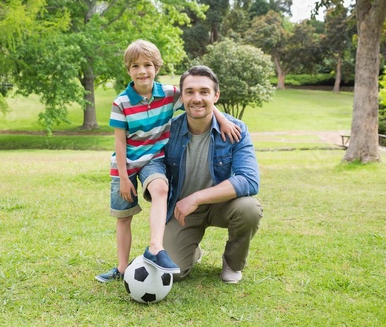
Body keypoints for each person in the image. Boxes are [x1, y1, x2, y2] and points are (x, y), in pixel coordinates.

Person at [96, 41, 241, 282]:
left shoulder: (170, 93)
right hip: (127, 165)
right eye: (136, 66)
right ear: (128, 69)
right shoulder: (121, 103)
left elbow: (197, 99)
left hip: (154, 159)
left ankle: (155, 248)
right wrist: (123, 177)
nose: (142, 71)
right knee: (124, 217)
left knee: (161, 189)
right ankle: (121, 268)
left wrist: (222, 120)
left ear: (157, 67)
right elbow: (120, 143)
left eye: (148, 65)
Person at [162, 65, 263, 283]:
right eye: (189, 92)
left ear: (216, 95)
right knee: (173, 272)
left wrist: (197, 197)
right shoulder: (169, 130)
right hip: (183, 211)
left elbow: (250, 180)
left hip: (221, 205)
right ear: (182, 96)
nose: (196, 98)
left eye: (204, 92)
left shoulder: (236, 129)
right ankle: (191, 250)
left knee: (249, 208)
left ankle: (233, 263)